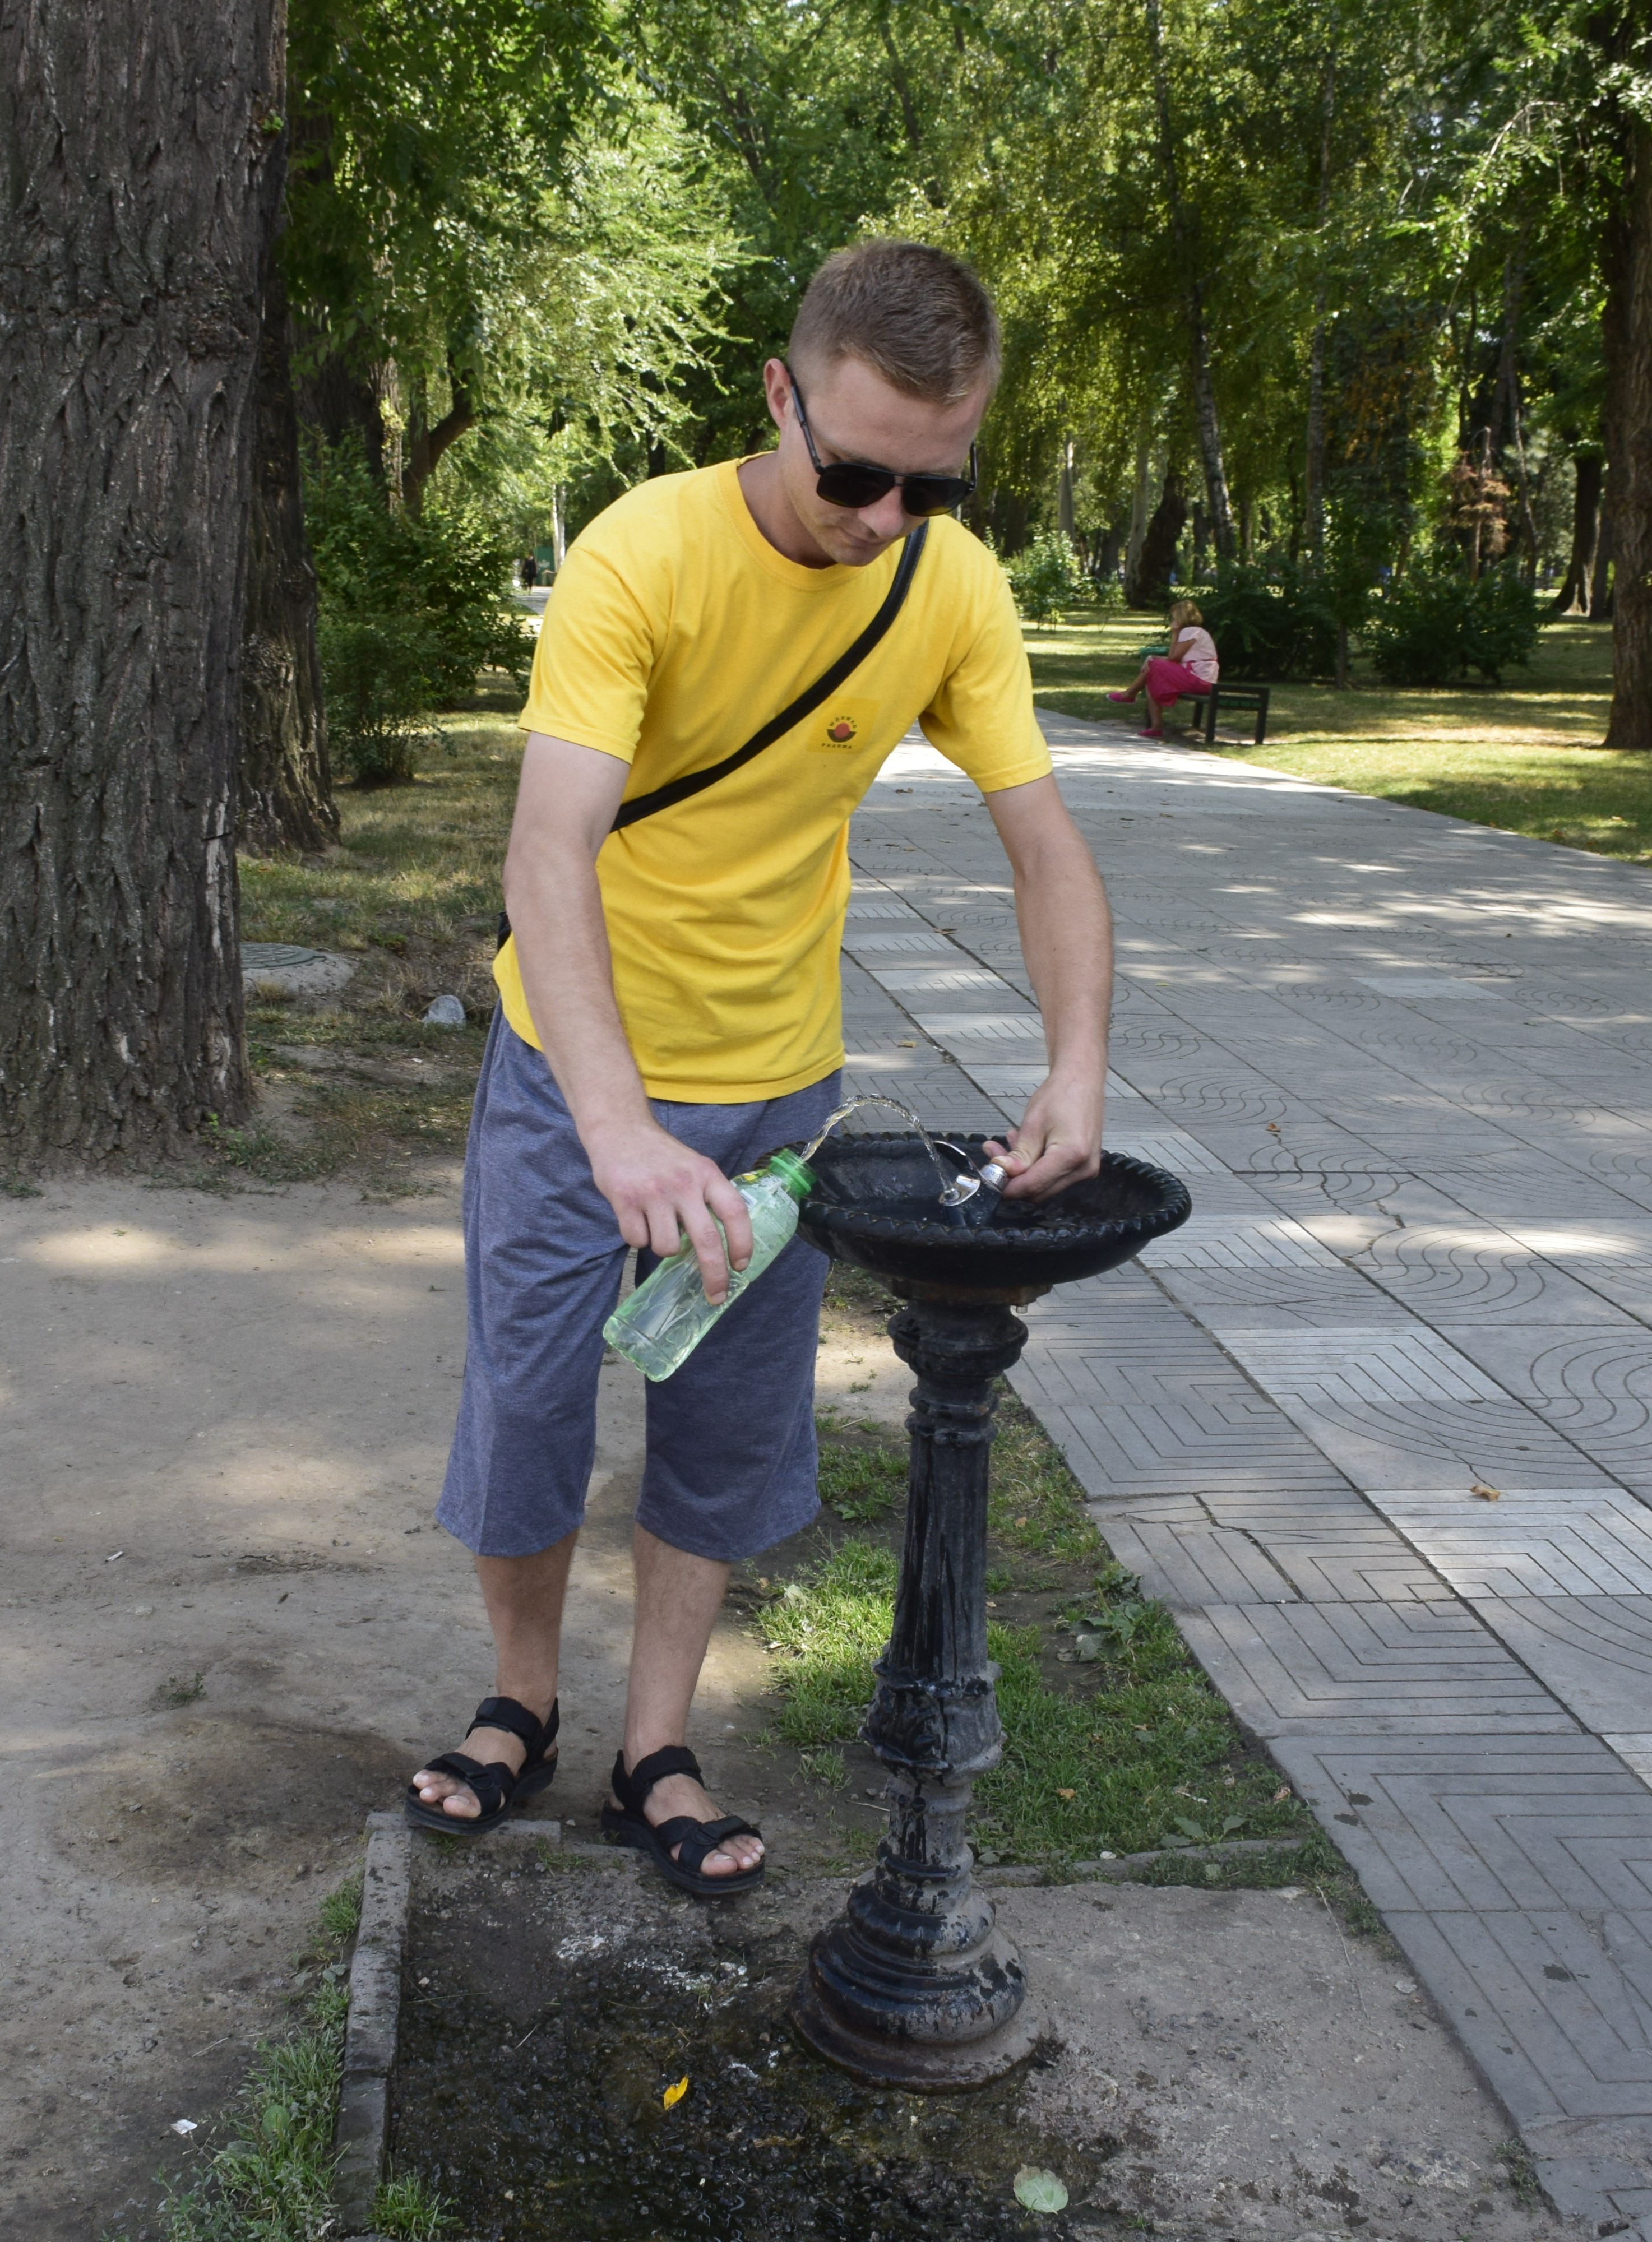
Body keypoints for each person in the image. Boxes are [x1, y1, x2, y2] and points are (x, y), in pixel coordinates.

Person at [404, 240, 1112, 1897]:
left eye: (932, 486)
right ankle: (520, 1701)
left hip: (779, 1090)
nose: (884, 517)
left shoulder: (947, 588)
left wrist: (1078, 1063)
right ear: (780, 397)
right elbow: (547, 849)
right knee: (528, 1406)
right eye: (854, 472)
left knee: (721, 1428)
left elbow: (1045, 843)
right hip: (572, 1073)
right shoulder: (642, 555)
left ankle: (655, 1745)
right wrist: (616, 1128)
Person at [1108, 598, 1220, 739]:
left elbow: (1174, 658)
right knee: (1152, 678)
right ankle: (1155, 727)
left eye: (1174, 617)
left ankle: (1129, 695)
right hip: (1199, 678)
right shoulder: (1197, 632)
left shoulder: (1190, 632)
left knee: (1153, 665)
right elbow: (1176, 659)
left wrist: (1174, 634)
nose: (1173, 621)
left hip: (1199, 680)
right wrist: (1153, 658)